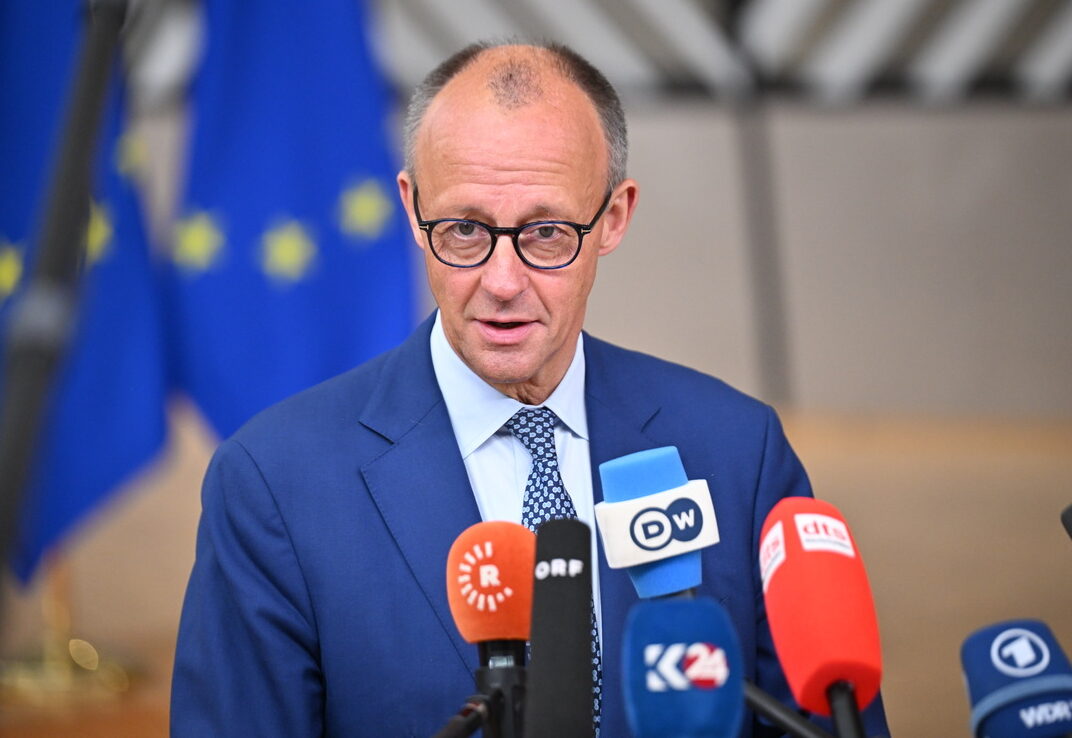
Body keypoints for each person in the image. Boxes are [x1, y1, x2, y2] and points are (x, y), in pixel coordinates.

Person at [171, 41, 890, 737]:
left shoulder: (736, 452)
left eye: (546, 232)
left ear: (613, 218)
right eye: (464, 229)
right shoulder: (275, 484)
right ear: (412, 209)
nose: (503, 281)